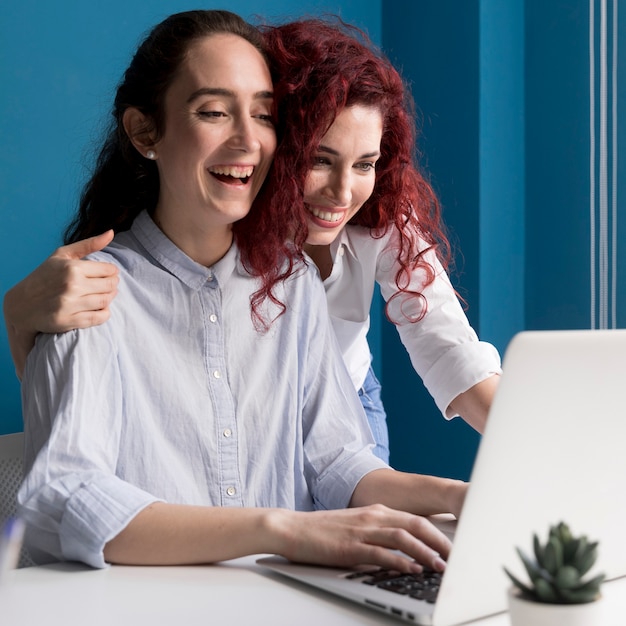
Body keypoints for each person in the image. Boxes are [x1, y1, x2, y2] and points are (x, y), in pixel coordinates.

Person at [15, 9, 465, 572]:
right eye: (214, 112)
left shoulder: (293, 284)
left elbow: (337, 461)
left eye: (264, 115)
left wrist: (457, 498)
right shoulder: (92, 292)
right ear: (144, 131)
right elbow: (65, 500)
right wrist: (282, 529)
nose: (249, 140)